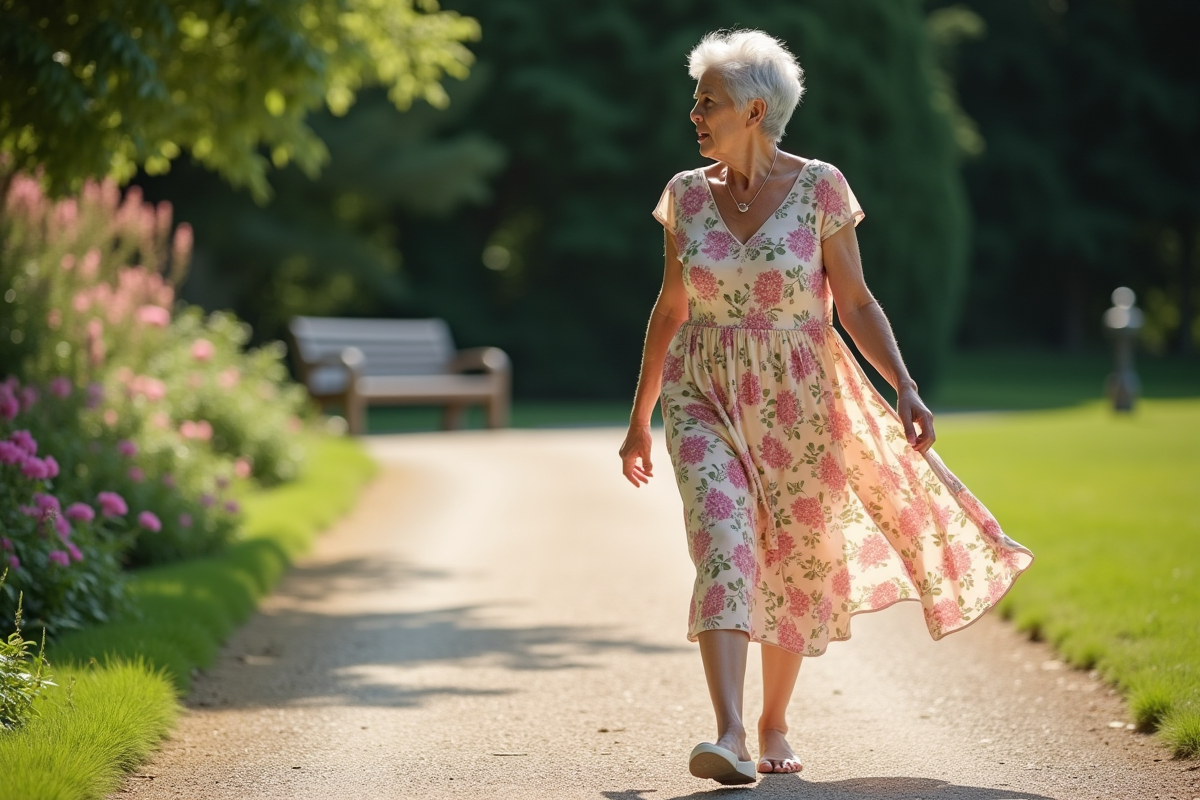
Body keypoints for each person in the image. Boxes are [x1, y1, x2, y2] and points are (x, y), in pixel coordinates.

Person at [618, 29, 1034, 786]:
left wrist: (903, 382)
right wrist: (639, 418)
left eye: (706, 101)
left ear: (752, 109)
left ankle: (775, 719)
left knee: (797, 559)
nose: (693, 113)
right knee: (725, 541)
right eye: (696, 99)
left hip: (804, 401)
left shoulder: (821, 188)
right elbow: (671, 308)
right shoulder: (684, 195)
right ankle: (732, 731)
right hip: (703, 392)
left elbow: (856, 300)